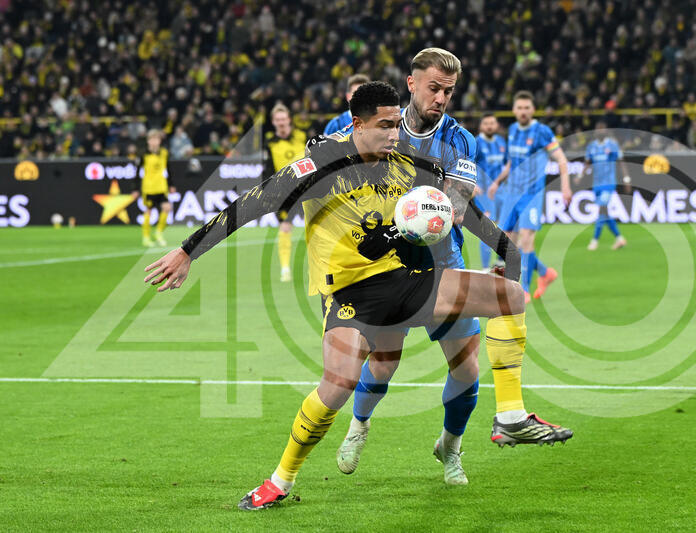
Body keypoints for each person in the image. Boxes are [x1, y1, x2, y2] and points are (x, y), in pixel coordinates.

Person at [143, 82, 527, 510]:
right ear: (357, 124)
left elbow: (455, 209)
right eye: (384, 126)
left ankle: (510, 414)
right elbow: (252, 203)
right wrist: (187, 251)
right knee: (339, 383)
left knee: (511, 296)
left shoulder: (407, 162)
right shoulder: (320, 165)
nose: (394, 134)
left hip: (411, 278)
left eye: (396, 124)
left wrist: (508, 252)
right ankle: (280, 480)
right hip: (352, 294)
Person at [335, 50, 573, 486]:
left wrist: (487, 237)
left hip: (444, 265)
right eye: (434, 88)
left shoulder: (460, 139)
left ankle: (451, 447)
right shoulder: (381, 128)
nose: (441, 98)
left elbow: (459, 202)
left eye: (449, 91)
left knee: (466, 370)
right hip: (390, 270)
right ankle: (359, 425)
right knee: (384, 364)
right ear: (411, 83)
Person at [488, 91, 572, 302]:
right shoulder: (513, 130)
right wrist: (497, 182)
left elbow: (562, 159)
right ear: (514, 110)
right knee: (509, 244)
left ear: (533, 110)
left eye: (527, 108)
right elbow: (511, 162)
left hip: (532, 194)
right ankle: (545, 272)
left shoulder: (542, 132)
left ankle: (523, 290)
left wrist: (565, 187)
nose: (523, 111)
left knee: (526, 239)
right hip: (512, 193)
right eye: (520, 108)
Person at [265, 103, 308, 282]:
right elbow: (267, 170)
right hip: (284, 193)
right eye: (278, 120)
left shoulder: (302, 136)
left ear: (289, 119)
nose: (281, 122)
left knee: (317, 226)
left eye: (283, 119)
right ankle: (285, 269)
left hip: (307, 188)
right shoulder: (270, 143)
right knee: (285, 227)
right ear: (273, 122)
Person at [582, 122, 628, 250]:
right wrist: (580, 175)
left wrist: (626, 178)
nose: (600, 131)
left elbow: (621, 161)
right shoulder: (591, 146)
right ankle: (619, 238)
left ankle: (594, 241)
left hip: (608, 183)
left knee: (601, 209)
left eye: (602, 129)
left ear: (606, 131)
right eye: (598, 129)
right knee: (605, 213)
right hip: (597, 184)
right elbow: (587, 162)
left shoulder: (612, 145)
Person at [473, 113, 509, 269]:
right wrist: (473, 184)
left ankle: (500, 261)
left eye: (492, 123)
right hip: (483, 193)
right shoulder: (476, 142)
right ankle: (485, 268)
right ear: (481, 126)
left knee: (505, 226)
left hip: (500, 191)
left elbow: (508, 164)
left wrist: (501, 181)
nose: (489, 126)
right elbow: (466, 163)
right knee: (487, 228)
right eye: (486, 123)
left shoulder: (501, 142)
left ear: (496, 125)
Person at [131, 130, 175, 247]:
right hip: (149, 188)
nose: (154, 142)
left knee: (167, 207)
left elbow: (169, 170)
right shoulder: (143, 154)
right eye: (152, 139)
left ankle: (158, 233)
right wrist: (135, 188)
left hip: (161, 186)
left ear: (160, 141)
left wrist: (171, 185)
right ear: (148, 141)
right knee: (148, 211)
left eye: (157, 139)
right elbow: (137, 172)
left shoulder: (164, 153)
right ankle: (146, 237)